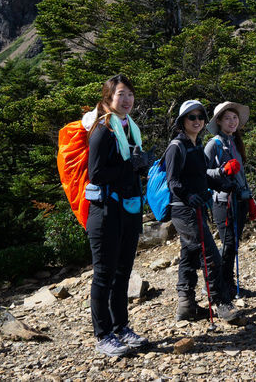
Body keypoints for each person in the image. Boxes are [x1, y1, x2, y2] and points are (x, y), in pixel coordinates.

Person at [84, 74, 151, 357]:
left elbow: (129, 170)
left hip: (127, 210)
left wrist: (141, 165)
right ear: (108, 98)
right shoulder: (103, 130)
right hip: (105, 212)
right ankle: (103, 335)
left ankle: (121, 326)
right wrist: (131, 166)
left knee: (123, 272)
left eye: (130, 94)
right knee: (104, 274)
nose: (126, 100)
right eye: (121, 94)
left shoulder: (129, 128)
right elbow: (96, 173)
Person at [164, 99, 241, 323]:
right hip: (184, 210)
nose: (197, 121)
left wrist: (223, 184)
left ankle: (186, 305)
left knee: (189, 255)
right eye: (191, 117)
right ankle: (221, 303)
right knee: (210, 255)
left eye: (200, 116)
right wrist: (188, 196)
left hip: (194, 207)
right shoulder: (176, 147)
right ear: (182, 121)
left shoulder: (195, 145)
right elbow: (173, 182)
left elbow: (202, 176)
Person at [204, 101, 256, 298]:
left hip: (240, 199)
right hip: (223, 201)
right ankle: (219, 286)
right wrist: (222, 171)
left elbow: (241, 175)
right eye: (228, 118)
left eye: (234, 118)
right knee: (228, 244)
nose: (232, 121)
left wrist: (249, 197)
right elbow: (201, 172)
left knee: (233, 245)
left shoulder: (234, 142)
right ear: (219, 121)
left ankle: (227, 283)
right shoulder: (213, 144)